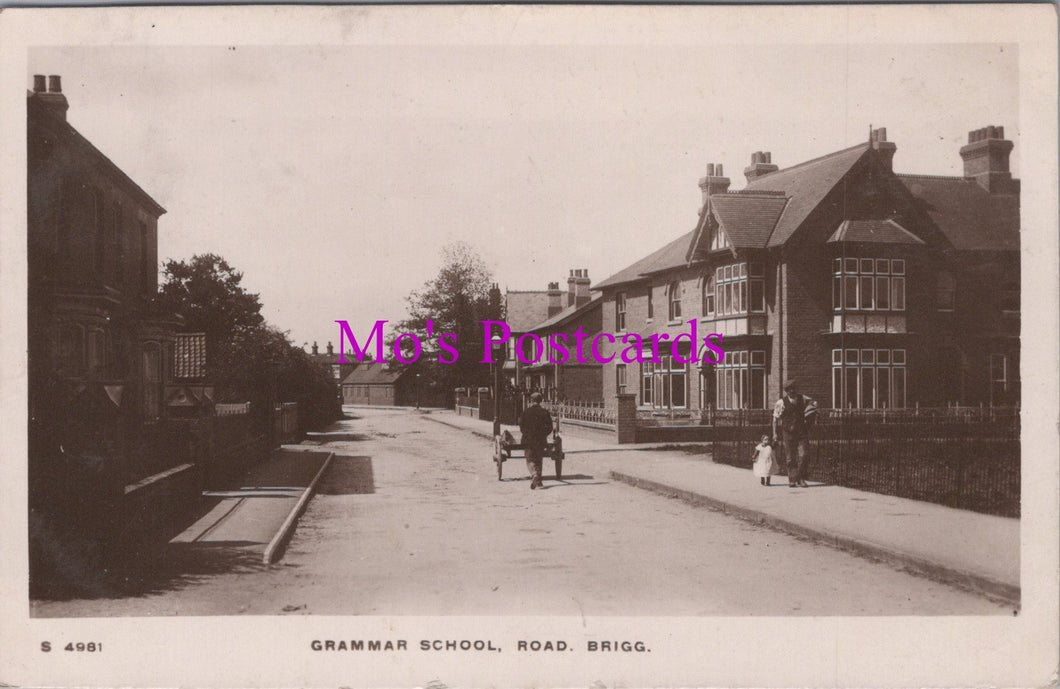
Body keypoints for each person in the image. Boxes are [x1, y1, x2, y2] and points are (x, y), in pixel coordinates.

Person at [772, 379, 818, 488]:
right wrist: (774, 433)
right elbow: (775, 418)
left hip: (802, 432)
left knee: (804, 455)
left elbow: (814, 403)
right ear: (786, 391)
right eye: (789, 390)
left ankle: (801, 478)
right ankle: (792, 479)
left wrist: (810, 414)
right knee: (790, 457)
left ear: (796, 389)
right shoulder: (781, 402)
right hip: (788, 432)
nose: (792, 391)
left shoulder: (803, 399)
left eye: (794, 389)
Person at [519, 391, 554, 490]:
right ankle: (539, 481)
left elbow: (521, 426)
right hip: (540, 440)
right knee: (539, 459)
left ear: (531, 400)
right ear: (541, 401)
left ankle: (534, 474)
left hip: (528, 440)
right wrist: (543, 434)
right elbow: (550, 427)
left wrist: (526, 434)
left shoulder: (526, 412)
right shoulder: (544, 412)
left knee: (529, 459)